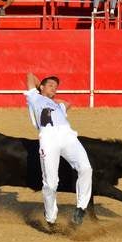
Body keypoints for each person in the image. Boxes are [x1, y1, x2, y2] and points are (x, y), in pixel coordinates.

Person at [24, 72, 93, 228]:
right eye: (50, 85)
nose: (54, 88)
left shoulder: (58, 105)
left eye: (56, 86)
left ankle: (81, 208)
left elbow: (68, 103)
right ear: (41, 87)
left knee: (86, 168)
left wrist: (52, 97)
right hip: (48, 138)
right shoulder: (34, 98)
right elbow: (30, 75)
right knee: (50, 183)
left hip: (68, 135)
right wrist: (40, 91)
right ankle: (50, 218)